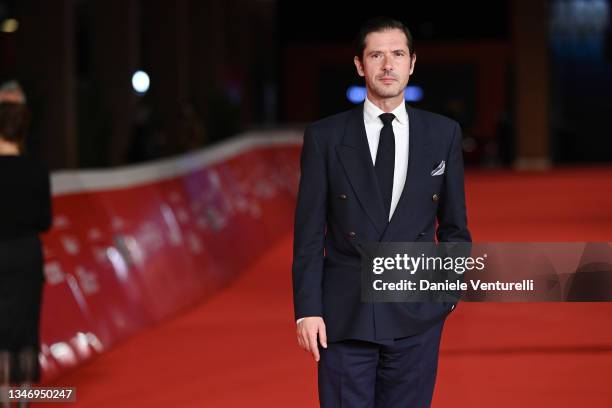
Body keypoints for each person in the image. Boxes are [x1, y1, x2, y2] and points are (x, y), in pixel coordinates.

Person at [292, 17, 471, 407]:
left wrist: (446, 296)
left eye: (397, 54)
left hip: (417, 316)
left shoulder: (443, 134)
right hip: (343, 318)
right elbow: (308, 234)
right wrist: (307, 310)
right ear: (360, 65)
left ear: (412, 63)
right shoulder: (324, 137)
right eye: (376, 55)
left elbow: (456, 229)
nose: (387, 65)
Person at [0, 83, 52, 408]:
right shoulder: (37, 168)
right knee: (23, 329)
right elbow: (45, 221)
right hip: (26, 257)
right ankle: (20, 400)